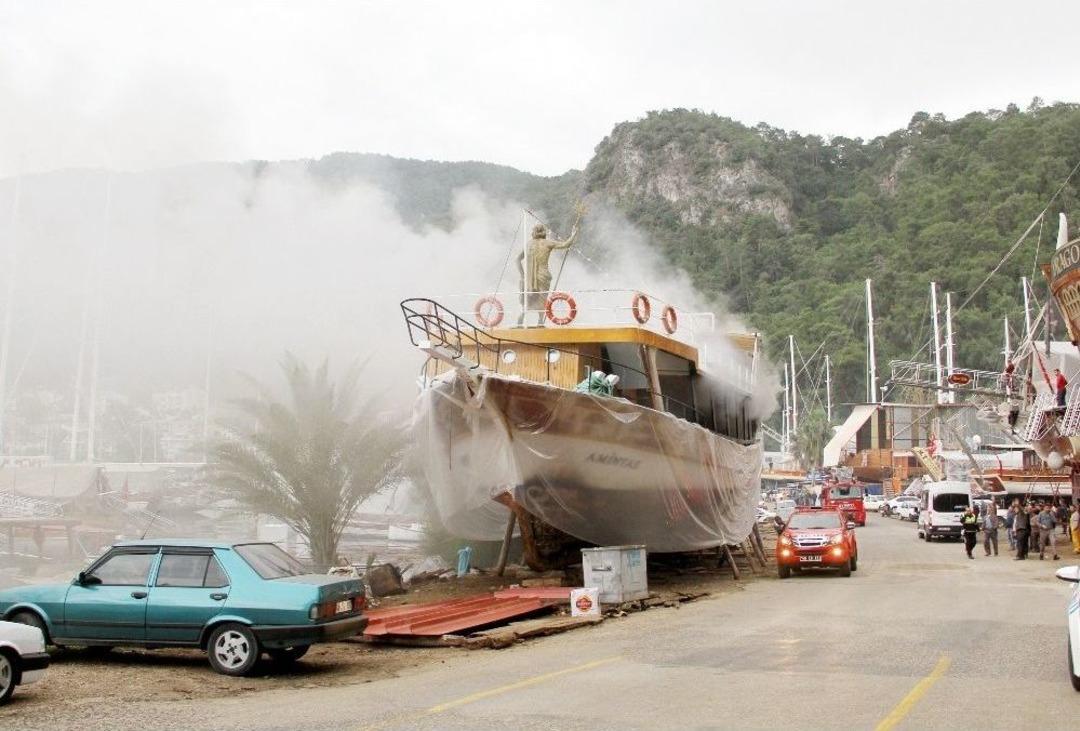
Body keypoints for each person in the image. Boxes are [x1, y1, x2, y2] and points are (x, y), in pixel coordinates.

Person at [516, 202, 586, 326]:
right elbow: (566, 244)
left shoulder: (529, 244)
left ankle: (521, 319)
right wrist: (574, 234)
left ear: (533, 232)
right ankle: (539, 322)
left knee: (528, 299)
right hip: (543, 275)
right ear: (543, 232)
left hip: (530, 277)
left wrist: (522, 275)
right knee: (542, 298)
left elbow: (517, 259)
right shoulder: (547, 243)